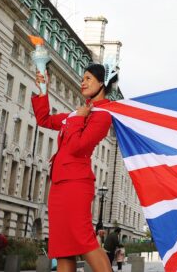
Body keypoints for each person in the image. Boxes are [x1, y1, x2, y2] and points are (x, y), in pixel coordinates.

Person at [32, 63, 118, 272]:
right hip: (60, 184)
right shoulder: (78, 113)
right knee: (62, 248)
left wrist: (79, 118)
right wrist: (43, 91)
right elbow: (44, 120)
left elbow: (79, 146)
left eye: (88, 78)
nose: (83, 82)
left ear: (102, 83)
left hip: (76, 184)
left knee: (84, 241)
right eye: (82, 78)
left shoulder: (103, 114)